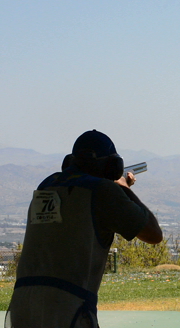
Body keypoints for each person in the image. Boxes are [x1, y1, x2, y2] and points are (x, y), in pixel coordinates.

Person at [5, 130, 162, 328]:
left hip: (23, 303)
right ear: (113, 167)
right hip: (69, 307)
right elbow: (153, 234)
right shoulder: (103, 191)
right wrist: (123, 188)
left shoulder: (47, 186)